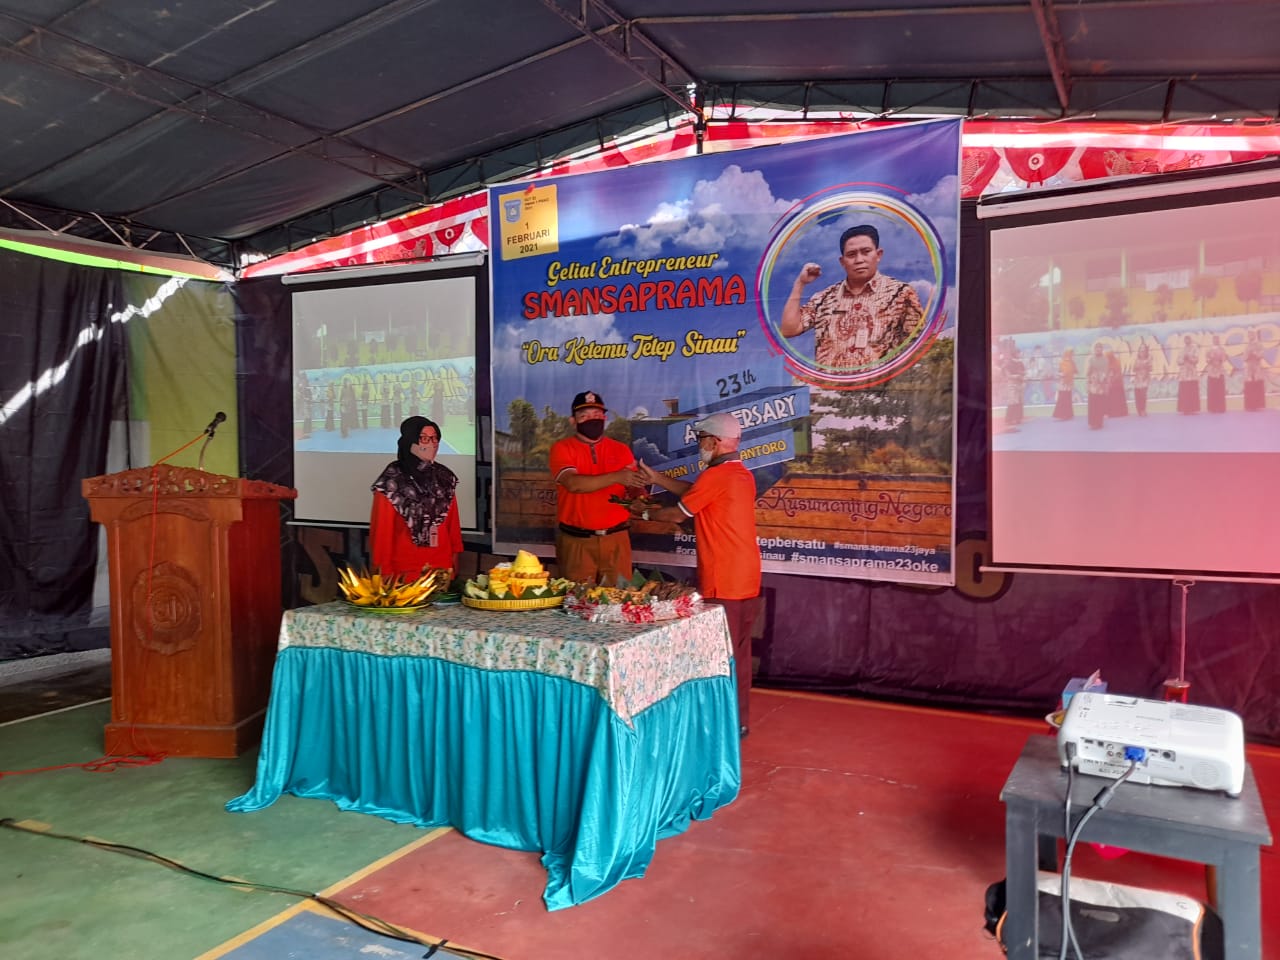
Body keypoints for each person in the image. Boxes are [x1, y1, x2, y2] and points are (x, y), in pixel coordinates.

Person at [633, 412, 761, 737]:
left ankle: (718, 727)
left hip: (723, 580)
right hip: (746, 578)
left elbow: (678, 513)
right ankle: (738, 720)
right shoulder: (740, 473)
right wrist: (658, 479)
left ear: (715, 442)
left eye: (702, 440)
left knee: (718, 655)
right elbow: (695, 490)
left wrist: (642, 512)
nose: (699, 446)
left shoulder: (716, 477)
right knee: (739, 654)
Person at [779, 225, 924, 370]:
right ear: (842, 262)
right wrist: (800, 283)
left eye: (866, 252)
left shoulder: (901, 294)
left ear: (878, 254)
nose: (859, 260)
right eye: (852, 254)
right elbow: (789, 330)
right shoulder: (824, 298)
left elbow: (918, 348)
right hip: (829, 389)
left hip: (880, 389)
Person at [549, 391, 641, 585]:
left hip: (617, 539)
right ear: (573, 421)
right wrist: (617, 476)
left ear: (604, 418)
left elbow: (635, 488)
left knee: (618, 603)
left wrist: (640, 500)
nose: (593, 420)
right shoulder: (562, 448)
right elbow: (573, 484)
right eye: (585, 416)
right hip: (577, 541)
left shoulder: (621, 449)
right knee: (577, 604)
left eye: (597, 415)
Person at [369, 416, 462, 580]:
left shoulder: (445, 477)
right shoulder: (392, 482)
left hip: (441, 570)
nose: (432, 443)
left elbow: (452, 524)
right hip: (404, 574)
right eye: (425, 438)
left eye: (435, 438)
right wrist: (383, 572)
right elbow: (382, 533)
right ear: (410, 442)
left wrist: (454, 560)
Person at [1086, 343, 1108, 430]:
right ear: (1094, 349)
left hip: (1101, 385)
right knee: (1092, 404)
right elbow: (1088, 373)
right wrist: (1088, 384)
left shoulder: (1105, 360)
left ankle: (1099, 422)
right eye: (1096, 348)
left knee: (1099, 404)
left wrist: (1105, 384)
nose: (1098, 350)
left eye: (1100, 348)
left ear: (1102, 349)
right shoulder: (1091, 359)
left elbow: (1106, 372)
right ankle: (1092, 423)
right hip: (1092, 385)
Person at [1176, 335, 1201, 414]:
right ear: (1184, 341)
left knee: (1192, 391)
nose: (1187, 341)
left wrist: (1189, 358)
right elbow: (1178, 361)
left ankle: (1193, 409)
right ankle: (1185, 409)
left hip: (1192, 373)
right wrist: (1183, 359)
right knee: (1184, 392)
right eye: (1185, 339)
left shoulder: (1194, 349)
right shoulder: (1181, 350)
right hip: (1184, 374)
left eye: (1188, 339)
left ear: (1190, 340)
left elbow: (1196, 360)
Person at [1204, 334, 1228, 413]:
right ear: (1213, 340)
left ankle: (1220, 408)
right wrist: (1210, 359)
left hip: (1220, 371)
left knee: (1220, 391)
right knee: (1212, 391)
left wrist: (1220, 359)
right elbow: (1206, 359)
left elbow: (1224, 358)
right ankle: (1212, 408)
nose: (1216, 340)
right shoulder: (1209, 350)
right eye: (1215, 339)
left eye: (1217, 339)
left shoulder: (1222, 349)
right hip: (1211, 372)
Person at [1243, 329, 1266, 411]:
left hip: (1256, 367)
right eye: (1249, 335)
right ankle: (1250, 405)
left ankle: (1258, 405)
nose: (1250, 336)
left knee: (1257, 384)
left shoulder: (1259, 344)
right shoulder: (1247, 345)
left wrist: (1255, 353)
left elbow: (1262, 354)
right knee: (1249, 386)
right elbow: (1244, 357)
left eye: (1251, 334)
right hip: (1249, 368)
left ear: (1254, 335)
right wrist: (1247, 355)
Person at [1052, 347, 1077, 420]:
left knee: (1068, 398)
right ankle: (1062, 415)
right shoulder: (1062, 362)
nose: (1072, 355)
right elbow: (1059, 372)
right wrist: (1061, 374)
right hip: (1063, 383)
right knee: (1062, 398)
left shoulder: (1072, 362)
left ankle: (1068, 414)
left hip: (1069, 383)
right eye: (1071, 354)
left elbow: (1075, 371)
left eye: (1072, 354)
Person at [1132, 341, 1153, 416]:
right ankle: (1139, 410)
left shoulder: (1149, 359)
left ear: (1146, 351)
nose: (1142, 352)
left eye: (1143, 350)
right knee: (1137, 395)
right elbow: (1133, 369)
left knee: (1143, 395)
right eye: (1140, 350)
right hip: (1137, 379)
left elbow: (1151, 368)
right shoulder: (1137, 359)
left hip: (1145, 378)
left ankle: (1143, 410)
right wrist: (1137, 366)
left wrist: (1145, 365)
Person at [1105, 349, 1128, 418]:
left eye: (1109, 356)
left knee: (1118, 398)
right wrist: (1108, 381)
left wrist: (1113, 380)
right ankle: (1110, 413)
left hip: (1117, 384)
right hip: (1110, 384)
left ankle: (1120, 413)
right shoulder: (1106, 362)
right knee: (1110, 399)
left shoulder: (1117, 361)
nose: (1108, 358)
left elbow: (1118, 373)